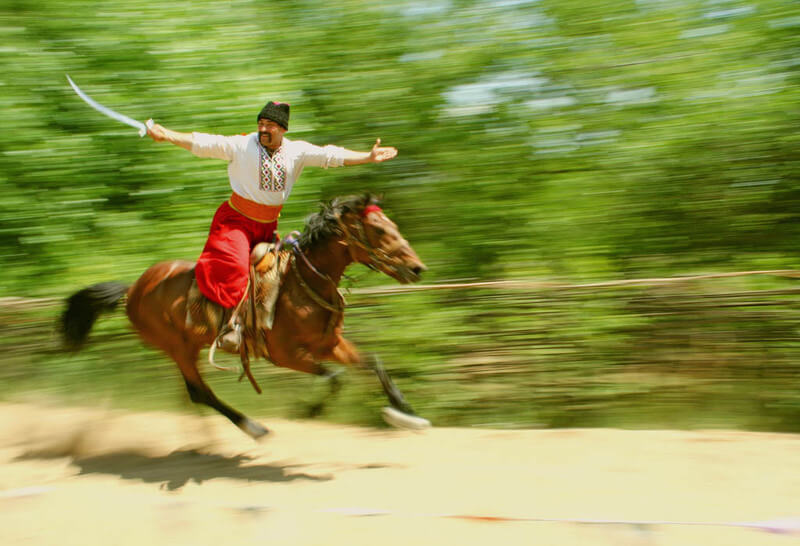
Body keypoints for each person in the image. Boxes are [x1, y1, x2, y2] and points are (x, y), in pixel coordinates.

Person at [146, 101, 398, 351]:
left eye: (270, 125)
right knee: (233, 266)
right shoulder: (241, 145)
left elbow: (330, 155)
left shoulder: (297, 151)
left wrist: (368, 157)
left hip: (267, 225)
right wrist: (166, 134)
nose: (263, 129)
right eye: (261, 124)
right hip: (234, 223)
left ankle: (269, 329)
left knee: (280, 272)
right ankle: (230, 326)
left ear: (283, 129)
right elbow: (203, 143)